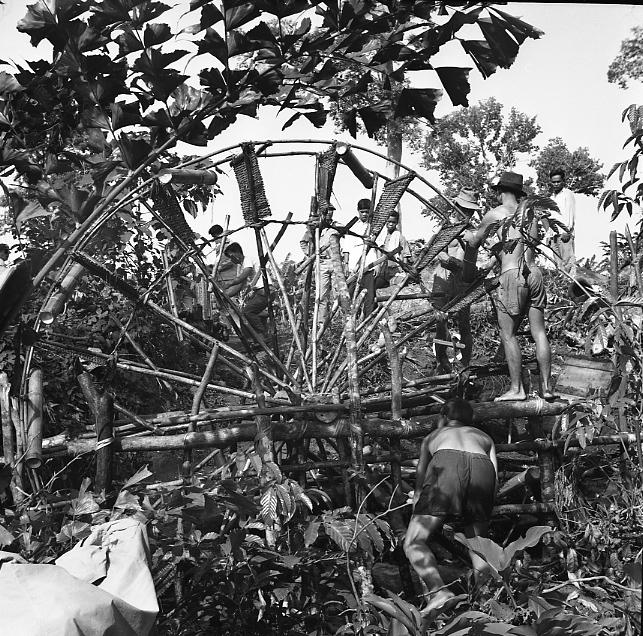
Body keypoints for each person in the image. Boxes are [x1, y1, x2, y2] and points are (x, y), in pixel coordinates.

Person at [464, 171, 553, 401]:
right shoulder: (530, 214)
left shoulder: (496, 214)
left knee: (508, 334)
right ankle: (546, 387)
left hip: (513, 275)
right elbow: (521, 245)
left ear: (500, 191)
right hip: (534, 273)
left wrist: (466, 234)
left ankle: (517, 389)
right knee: (539, 332)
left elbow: (474, 242)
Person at [404, 398, 498, 615]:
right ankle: (485, 603)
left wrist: (418, 501)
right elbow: (494, 479)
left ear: (444, 417)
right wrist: (484, 510)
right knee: (479, 546)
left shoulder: (433, 436)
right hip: (482, 471)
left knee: (414, 542)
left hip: (446, 467)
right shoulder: (485, 438)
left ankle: (438, 592)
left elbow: (421, 476)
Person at [431, 188, 481, 372]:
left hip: (463, 281)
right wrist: (452, 262)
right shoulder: (447, 228)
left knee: (464, 323)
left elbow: (473, 260)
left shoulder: (474, 233)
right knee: (440, 321)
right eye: (464, 209)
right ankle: (441, 361)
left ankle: (465, 363)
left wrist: (463, 267)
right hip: (443, 277)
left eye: (470, 211)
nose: (467, 214)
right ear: (456, 207)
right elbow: (440, 254)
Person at [347, 198, 379, 317]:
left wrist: (378, 265)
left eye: (367, 211)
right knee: (350, 295)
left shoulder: (375, 227)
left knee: (369, 297)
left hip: (369, 266)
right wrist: (346, 265)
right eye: (362, 212)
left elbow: (379, 248)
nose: (364, 214)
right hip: (354, 267)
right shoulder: (353, 227)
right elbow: (346, 249)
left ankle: (367, 320)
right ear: (358, 211)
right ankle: (349, 320)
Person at [547, 168, 576, 276]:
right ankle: (562, 283)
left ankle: (570, 282)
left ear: (563, 181)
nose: (556, 184)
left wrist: (567, 231)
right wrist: (548, 235)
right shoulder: (551, 197)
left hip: (564, 234)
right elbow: (550, 217)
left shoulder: (567, 194)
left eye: (558, 181)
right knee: (559, 265)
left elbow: (570, 212)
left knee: (568, 262)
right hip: (554, 236)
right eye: (553, 182)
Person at [317, 202, 340, 327]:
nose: (329, 213)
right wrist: (313, 255)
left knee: (338, 293)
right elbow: (304, 241)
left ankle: (337, 321)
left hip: (335, 261)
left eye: (331, 210)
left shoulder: (336, 226)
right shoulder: (317, 227)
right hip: (323, 262)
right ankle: (322, 323)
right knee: (322, 295)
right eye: (327, 210)